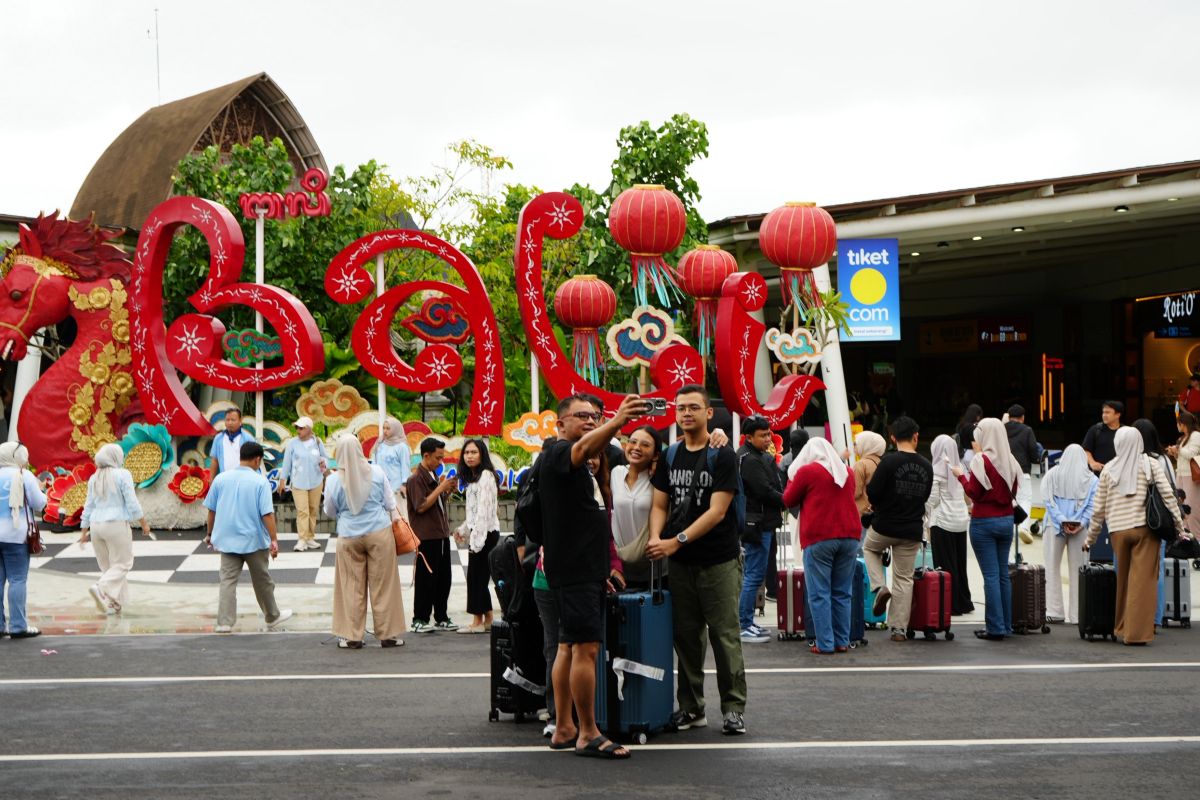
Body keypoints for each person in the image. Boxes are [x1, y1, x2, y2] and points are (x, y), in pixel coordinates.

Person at [541, 391, 644, 759]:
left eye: (594, 416)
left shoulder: (580, 465)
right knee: (585, 648)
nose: (589, 420)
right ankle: (587, 732)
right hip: (576, 571)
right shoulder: (559, 452)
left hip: (579, 569)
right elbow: (583, 448)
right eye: (581, 415)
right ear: (560, 423)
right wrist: (618, 422)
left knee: (568, 647)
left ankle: (564, 726)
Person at [647, 384, 748, 736]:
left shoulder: (723, 455)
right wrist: (656, 537)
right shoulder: (671, 455)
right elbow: (660, 503)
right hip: (680, 563)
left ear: (708, 413)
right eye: (681, 408)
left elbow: (718, 511)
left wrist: (675, 542)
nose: (686, 413)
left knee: (725, 636)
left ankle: (733, 709)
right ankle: (691, 708)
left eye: (693, 407)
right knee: (686, 638)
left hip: (718, 560)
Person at [1085, 427, 1184, 645]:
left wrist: (1090, 539)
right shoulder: (1150, 464)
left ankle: (1120, 627)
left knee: (1123, 580)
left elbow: (1098, 508)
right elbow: (1168, 496)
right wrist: (1179, 525)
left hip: (1118, 531)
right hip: (1144, 529)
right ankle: (1135, 634)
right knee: (1142, 582)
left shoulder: (1109, 468)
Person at [324, 434, 405, 649]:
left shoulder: (333, 480)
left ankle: (352, 637)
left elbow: (329, 510)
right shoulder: (377, 472)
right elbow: (390, 503)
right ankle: (388, 635)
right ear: (360, 449)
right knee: (384, 585)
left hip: (349, 535)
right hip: (379, 532)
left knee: (351, 586)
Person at [203, 442, 293, 633]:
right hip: (254, 540)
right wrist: (274, 539)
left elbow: (211, 510)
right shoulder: (260, 482)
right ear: (258, 460)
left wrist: (210, 534)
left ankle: (224, 622)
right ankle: (272, 616)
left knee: (227, 581)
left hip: (227, 540)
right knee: (262, 580)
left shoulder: (221, 479)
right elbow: (267, 514)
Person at [782, 438, 860, 654]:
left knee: (819, 593)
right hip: (850, 536)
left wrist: (791, 478)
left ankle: (825, 643)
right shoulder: (846, 472)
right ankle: (842, 641)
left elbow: (788, 500)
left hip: (819, 537)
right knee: (842, 592)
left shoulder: (807, 472)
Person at [862, 416, 933, 642]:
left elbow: (873, 492)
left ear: (892, 438)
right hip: (911, 529)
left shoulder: (888, 462)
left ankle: (879, 587)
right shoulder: (927, 465)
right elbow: (925, 496)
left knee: (869, 549)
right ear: (916, 436)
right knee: (904, 578)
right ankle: (899, 630)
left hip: (884, 526)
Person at [952, 417, 1021, 641]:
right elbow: (1014, 491)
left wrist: (961, 477)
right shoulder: (1011, 460)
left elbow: (973, 492)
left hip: (984, 521)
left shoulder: (981, 460)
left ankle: (995, 627)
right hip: (1006, 520)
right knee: (1002, 575)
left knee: (990, 576)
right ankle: (1006, 624)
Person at [78, 443, 151, 614]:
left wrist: (83, 532)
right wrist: (143, 523)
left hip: (96, 527)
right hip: (116, 524)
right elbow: (132, 501)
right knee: (123, 564)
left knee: (110, 568)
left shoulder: (94, 477)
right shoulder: (122, 474)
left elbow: (88, 506)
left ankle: (114, 603)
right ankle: (101, 588)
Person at [737, 415, 785, 645]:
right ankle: (744, 624)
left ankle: (747, 621)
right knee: (754, 575)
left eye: (769, 434)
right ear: (749, 437)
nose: (768, 439)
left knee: (753, 574)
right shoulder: (749, 460)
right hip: (757, 523)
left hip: (760, 522)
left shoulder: (755, 456)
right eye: (763, 435)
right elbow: (764, 491)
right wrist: (787, 499)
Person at [1040, 444, 1098, 625]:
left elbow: (1048, 501)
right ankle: (1078, 613)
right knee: (1079, 569)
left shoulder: (1052, 474)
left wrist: (1061, 520)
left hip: (1053, 526)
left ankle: (1054, 611)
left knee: (1051, 566)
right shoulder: (1092, 479)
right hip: (1080, 528)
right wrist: (1080, 523)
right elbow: (1093, 506)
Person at [406, 437, 459, 633]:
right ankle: (419, 619)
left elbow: (436, 502)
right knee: (425, 579)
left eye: (442, 457)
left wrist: (446, 491)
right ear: (426, 456)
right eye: (438, 458)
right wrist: (440, 488)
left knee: (443, 578)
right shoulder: (415, 479)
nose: (440, 461)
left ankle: (441, 617)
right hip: (426, 537)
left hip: (440, 534)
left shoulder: (432, 475)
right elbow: (420, 506)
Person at [0, 442, 46, 638]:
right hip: (16, 536)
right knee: (17, 580)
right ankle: (18, 626)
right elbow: (39, 503)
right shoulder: (24, 475)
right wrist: (40, 489)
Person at [455, 438, 500, 634]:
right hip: (479, 532)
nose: (469, 456)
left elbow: (484, 511)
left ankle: (477, 622)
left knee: (476, 578)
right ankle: (488, 618)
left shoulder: (486, 476)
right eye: (466, 453)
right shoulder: (474, 477)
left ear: (482, 454)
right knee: (477, 577)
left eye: (474, 452)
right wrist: (463, 529)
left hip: (486, 533)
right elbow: (473, 512)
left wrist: (477, 540)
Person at [925, 433, 974, 616]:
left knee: (945, 565)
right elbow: (968, 499)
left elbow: (933, 500)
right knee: (960, 564)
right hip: (960, 521)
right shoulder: (960, 468)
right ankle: (964, 602)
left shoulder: (936, 470)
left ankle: (951, 604)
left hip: (942, 522)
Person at [1133, 418, 1175, 626]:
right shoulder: (1163, 460)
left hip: (1133, 519)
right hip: (1158, 519)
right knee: (1156, 569)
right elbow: (1172, 489)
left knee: (1134, 570)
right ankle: (1155, 618)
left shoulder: (1130, 461)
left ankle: (1136, 616)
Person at [610, 425, 662, 589]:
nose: (637, 448)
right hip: (620, 567)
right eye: (633, 442)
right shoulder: (616, 473)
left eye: (645, 445)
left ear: (656, 454)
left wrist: (717, 434)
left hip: (653, 566)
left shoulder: (659, 478)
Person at [277, 416, 329, 551]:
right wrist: (282, 480)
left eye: (301, 428)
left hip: (316, 481)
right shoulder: (292, 443)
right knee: (302, 511)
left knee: (313, 510)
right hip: (298, 482)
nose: (298, 430)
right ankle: (302, 539)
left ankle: (310, 538)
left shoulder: (317, 442)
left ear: (309, 429)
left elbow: (326, 459)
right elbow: (287, 463)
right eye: (297, 428)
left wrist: (324, 463)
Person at [1004, 405, 1040, 544]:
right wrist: (1036, 459)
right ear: (1023, 417)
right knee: (1025, 499)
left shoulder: (1002, 429)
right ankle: (1023, 527)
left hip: (1004, 471)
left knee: (1007, 499)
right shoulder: (1027, 430)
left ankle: (1008, 529)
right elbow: (1033, 451)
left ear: (1009, 416)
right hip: (1022, 470)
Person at [1166, 411, 1200, 538]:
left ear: (1184, 423)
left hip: (1191, 475)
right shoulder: (1183, 438)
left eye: (1178, 423)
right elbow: (1183, 457)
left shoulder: (1196, 435)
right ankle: (1186, 536)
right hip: (1180, 473)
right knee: (1181, 506)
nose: (1177, 426)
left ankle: (1197, 537)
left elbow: (1192, 453)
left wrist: (1178, 449)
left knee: (1192, 506)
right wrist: (1174, 453)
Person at [374, 417, 412, 522]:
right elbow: (375, 462)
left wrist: (404, 484)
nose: (385, 431)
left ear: (395, 429)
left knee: (398, 518)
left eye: (388, 428)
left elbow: (405, 466)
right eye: (384, 428)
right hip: (381, 486)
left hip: (396, 489)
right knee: (384, 519)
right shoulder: (380, 443)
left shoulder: (402, 446)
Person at [852, 431, 886, 532]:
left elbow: (855, 492)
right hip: (878, 514)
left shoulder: (860, 465)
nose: (854, 447)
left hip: (861, 516)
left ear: (865, 445)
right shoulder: (882, 463)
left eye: (856, 443)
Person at [208, 407, 257, 477]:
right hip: (225, 478)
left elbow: (254, 462)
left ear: (240, 421)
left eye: (233, 420)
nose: (230, 423)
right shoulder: (218, 438)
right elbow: (214, 461)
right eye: (227, 420)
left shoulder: (248, 439)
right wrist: (211, 480)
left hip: (243, 478)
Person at [1082, 401, 1123, 475]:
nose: (1104, 415)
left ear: (1117, 415)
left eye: (1107, 412)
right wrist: (1092, 463)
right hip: (1098, 474)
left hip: (1120, 474)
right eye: (1103, 412)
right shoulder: (1096, 430)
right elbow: (1085, 450)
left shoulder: (1125, 431)